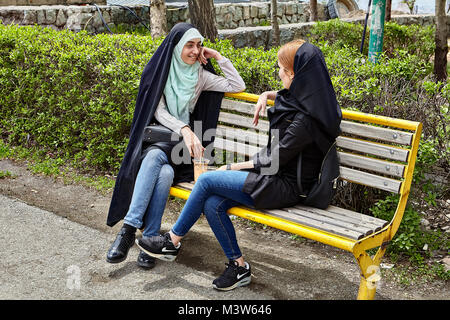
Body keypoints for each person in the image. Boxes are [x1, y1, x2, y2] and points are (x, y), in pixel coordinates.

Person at [136, 39, 342, 291]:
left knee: (207, 180)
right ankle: (239, 267)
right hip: (273, 177)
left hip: (284, 186)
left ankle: (172, 241)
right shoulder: (317, 103)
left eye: (280, 69)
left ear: (293, 74)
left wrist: (231, 167)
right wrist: (267, 95)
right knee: (213, 204)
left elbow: (272, 160)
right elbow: (290, 102)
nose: (277, 73)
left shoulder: (304, 121)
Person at [105, 23, 246, 269]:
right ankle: (149, 236)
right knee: (163, 170)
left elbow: (236, 86)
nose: (194, 51)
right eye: (189, 45)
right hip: (163, 140)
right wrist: (183, 128)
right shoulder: (162, 70)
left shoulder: (200, 76)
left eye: (198, 45)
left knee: (156, 159)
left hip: (184, 151)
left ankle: (128, 229)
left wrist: (218, 57)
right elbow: (156, 110)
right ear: (177, 46)